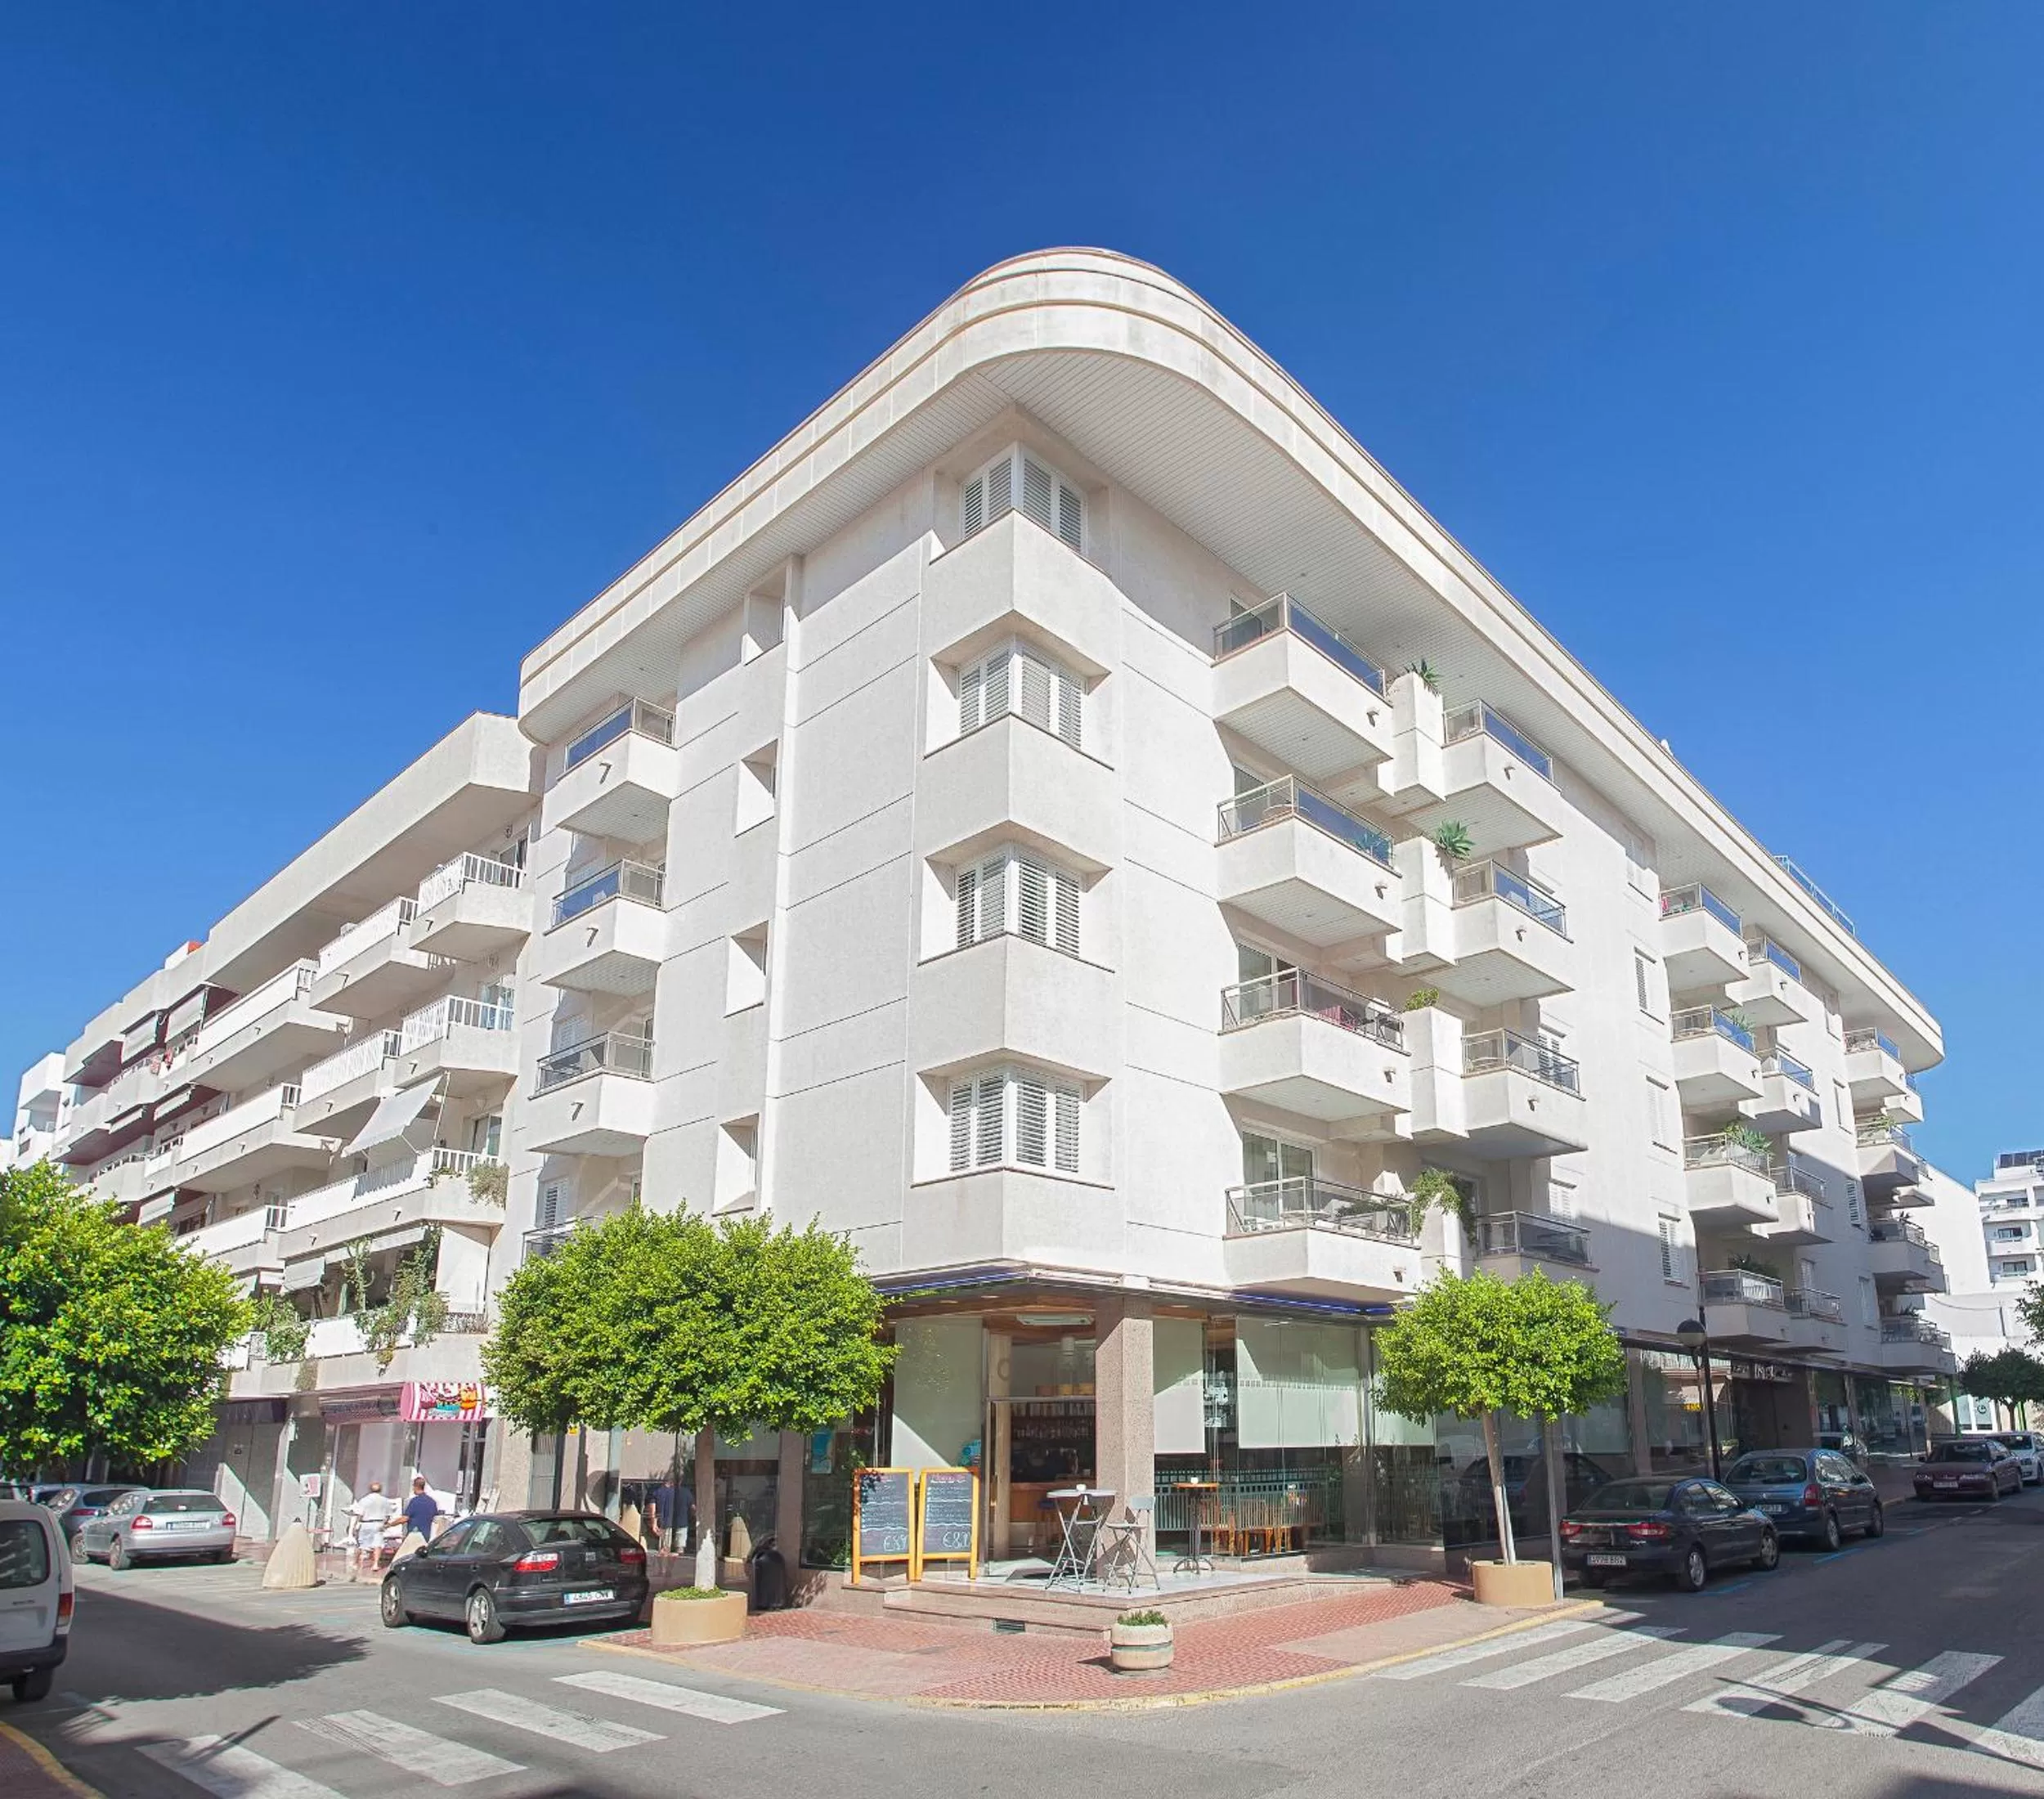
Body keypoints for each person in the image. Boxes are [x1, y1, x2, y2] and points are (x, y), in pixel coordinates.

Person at [344, 1482, 395, 1581]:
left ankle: (356, 1563)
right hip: (379, 1523)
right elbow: (389, 1514)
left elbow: (358, 1513)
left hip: (366, 1523)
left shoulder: (364, 1500)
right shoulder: (385, 1501)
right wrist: (386, 1524)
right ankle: (375, 1564)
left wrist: (354, 1527)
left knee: (361, 1544)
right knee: (378, 1544)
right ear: (380, 1490)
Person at [401, 1476, 440, 1544]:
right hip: (426, 1535)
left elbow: (405, 1518)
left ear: (415, 1486)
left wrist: (391, 1524)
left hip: (414, 1535)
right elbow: (435, 1517)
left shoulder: (414, 1501)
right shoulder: (432, 1502)